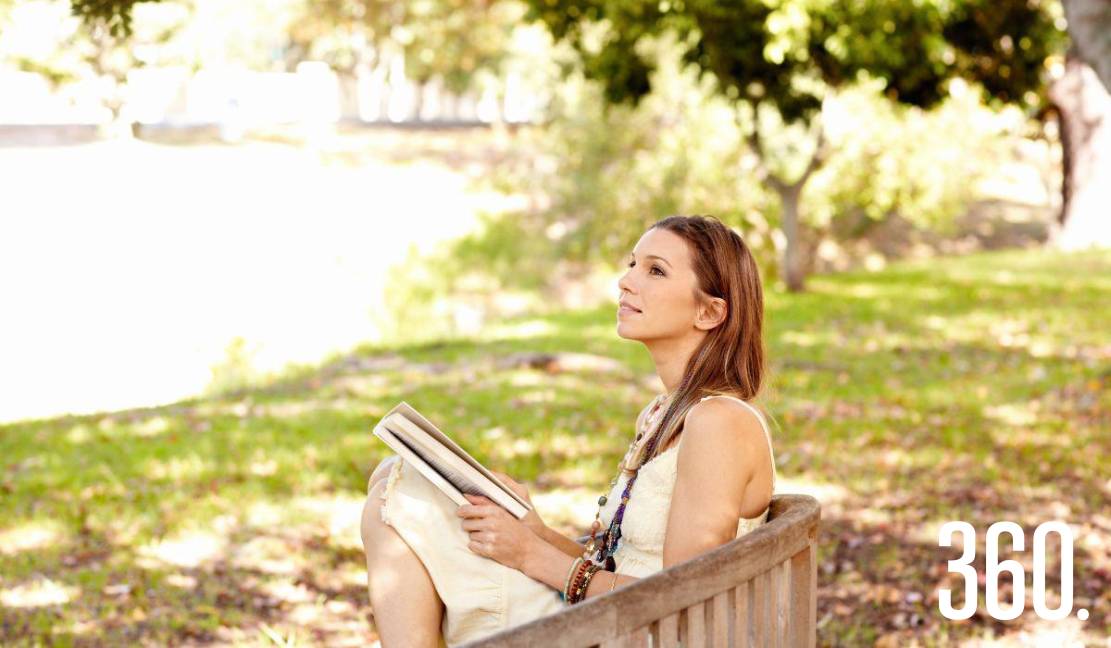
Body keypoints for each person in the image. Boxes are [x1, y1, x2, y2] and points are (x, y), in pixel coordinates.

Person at [360, 214, 778, 647]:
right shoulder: (664, 413)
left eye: (655, 270)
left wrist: (531, 554)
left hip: (635, 635)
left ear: (709, 311)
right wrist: (533, 527)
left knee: (399, 488)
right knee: (398, 474)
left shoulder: (720, 422)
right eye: (632, 264)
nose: (626, 281)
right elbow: (620, 563)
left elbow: (684, 599)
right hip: (609, 619)